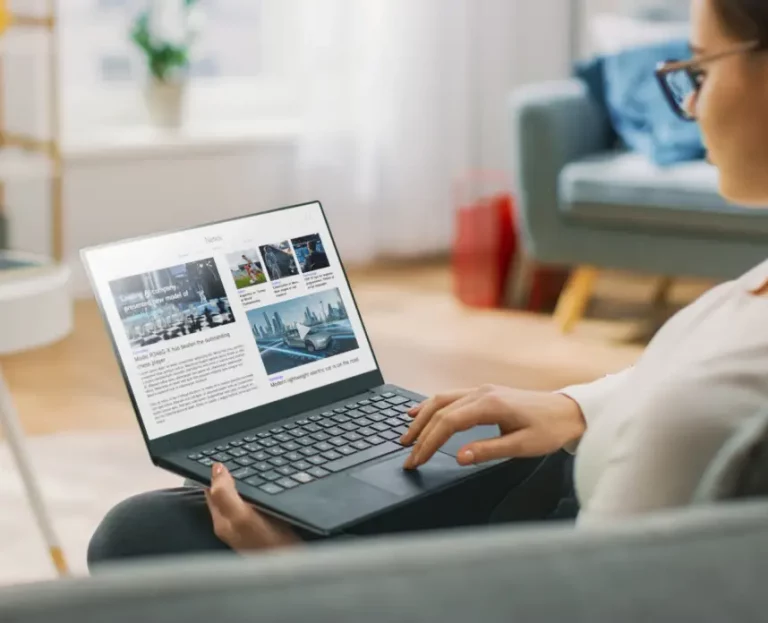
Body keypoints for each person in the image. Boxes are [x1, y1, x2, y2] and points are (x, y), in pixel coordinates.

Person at [88, 0, 768, 564]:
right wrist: (571, 406)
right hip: (561, 475)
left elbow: (583, 602)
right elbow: (678, 386)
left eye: (700, 68)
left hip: (539, 548)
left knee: (140, 538)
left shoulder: (720, 396)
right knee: (150, 527)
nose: (690, 103)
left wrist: (291, 572)